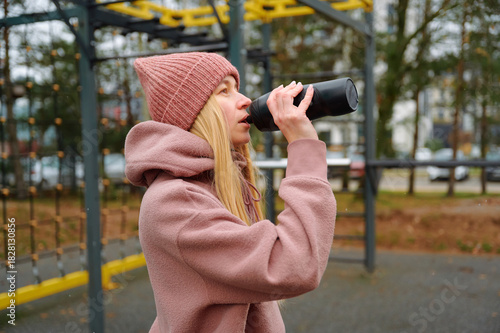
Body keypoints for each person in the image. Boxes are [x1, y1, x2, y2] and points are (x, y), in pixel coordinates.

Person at [124, 52, 336, 333]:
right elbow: (293, 264)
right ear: (194, 112)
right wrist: (304, 147)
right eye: (224, 91)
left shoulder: (218, 184)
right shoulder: (175, 202)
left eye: (236, 88)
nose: (245, 99)